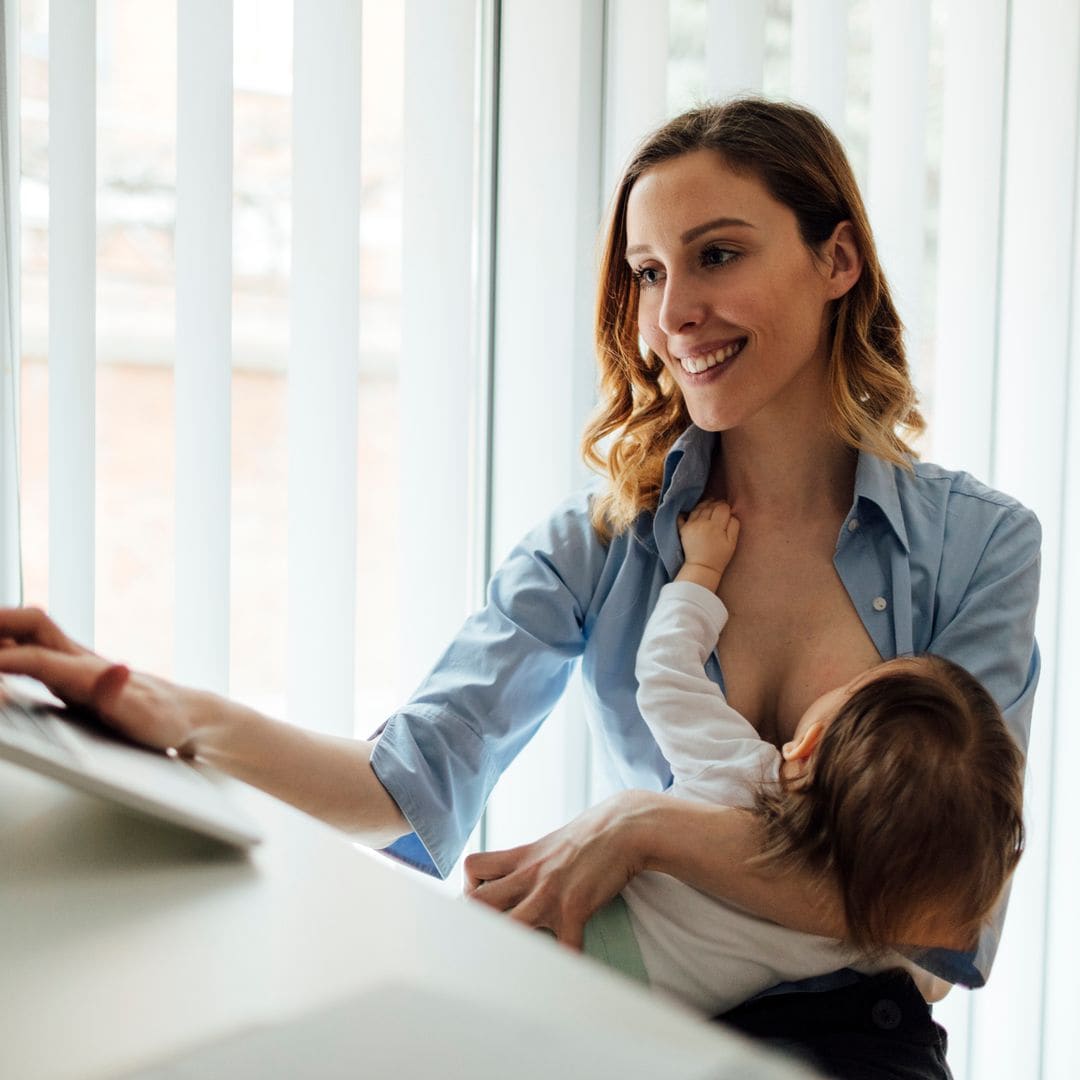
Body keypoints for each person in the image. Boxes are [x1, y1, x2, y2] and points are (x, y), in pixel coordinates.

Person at [0, 99, 1040, 1078]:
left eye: (717, 254)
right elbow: (402, 784)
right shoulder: (598, 547)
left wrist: (645, 825)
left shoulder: (979, 547)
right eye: (644, 272)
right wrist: (162, 707)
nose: (673, 313)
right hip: (636, 1031)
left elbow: (942, 909)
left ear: (837, 259)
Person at [576, 496, 1024, 1018]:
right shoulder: (870, 930)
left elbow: (665, 672)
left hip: (584, 932)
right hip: (641, 1019)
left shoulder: (739, 772)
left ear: (806, 745)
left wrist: (701, 570)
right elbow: (941, 965)